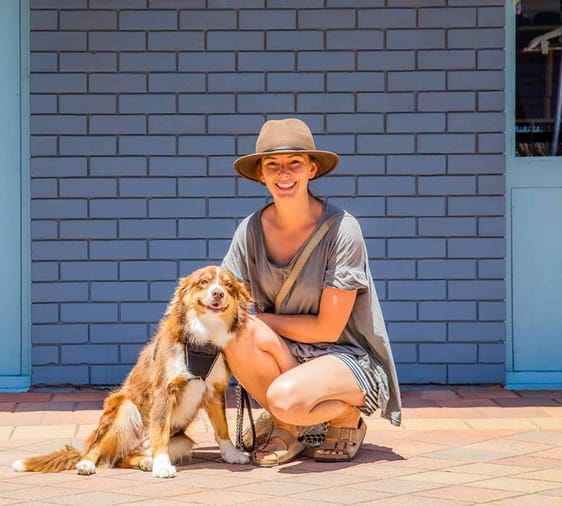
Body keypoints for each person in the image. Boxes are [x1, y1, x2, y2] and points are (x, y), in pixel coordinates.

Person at [222, 118, 401, 467]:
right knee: (236, 331)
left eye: (294, 163)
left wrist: (263, 321)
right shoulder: (249, 231)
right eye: (272, 164)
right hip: (286, 351)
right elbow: (225, 303)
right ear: (260, 174)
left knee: (283, 396)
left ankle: (345, 415)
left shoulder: (342, 230)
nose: (283, 173)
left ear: (311, 169)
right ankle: (289, 427)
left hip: (345, 357)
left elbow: (327, 329)